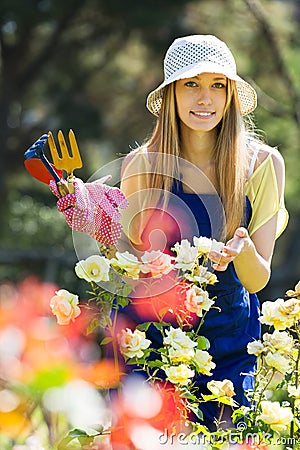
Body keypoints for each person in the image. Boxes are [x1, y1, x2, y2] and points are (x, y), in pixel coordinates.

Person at [50, 34, 288, 429]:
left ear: (230, 95)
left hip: (228, 339)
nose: (205, 99)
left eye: (217, 86)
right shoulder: (141, 164)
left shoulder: (262, 165)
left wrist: (242, 249)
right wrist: (92, 213)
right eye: (191, 85)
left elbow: (257, 278)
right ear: (171, 94)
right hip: (152, 335)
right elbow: (129, 265)